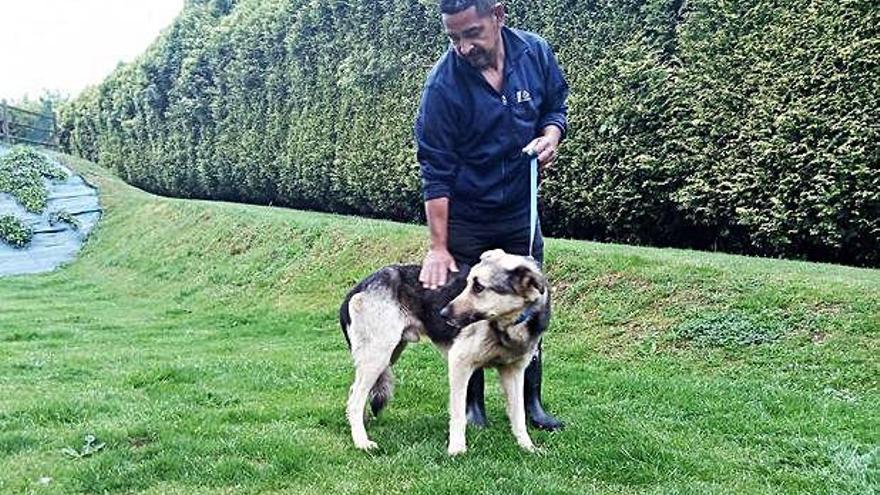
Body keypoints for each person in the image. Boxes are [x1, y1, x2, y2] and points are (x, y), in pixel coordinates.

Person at [414, 0, 568, 430]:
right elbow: (436, 169)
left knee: (530, 302)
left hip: (521, 209)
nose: (463, 46)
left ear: (498, 15)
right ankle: (472, 407)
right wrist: (438, 246)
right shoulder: (443, 86)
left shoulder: (534, 53)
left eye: (472, 33)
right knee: (470, 304)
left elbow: (555, 106)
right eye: (454, 37)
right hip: (468, 213)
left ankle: (531, 403)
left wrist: (551, 136)